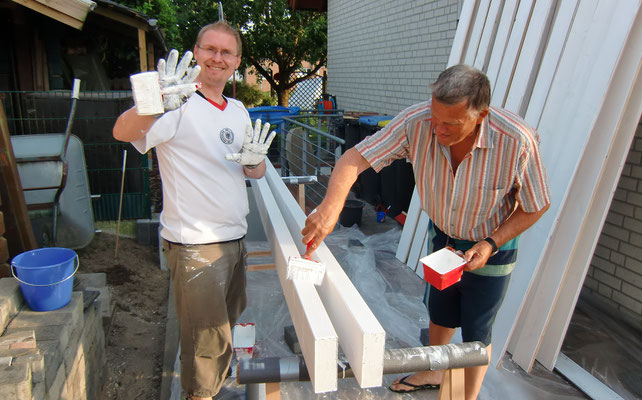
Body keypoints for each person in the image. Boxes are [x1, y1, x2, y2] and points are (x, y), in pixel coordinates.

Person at [301, 64, 551, 399]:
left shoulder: (516, 140)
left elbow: (536, 205)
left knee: (477, 333)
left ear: (481, 115)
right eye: (435, 117)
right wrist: (330, 208)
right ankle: (432, 371)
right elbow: (355, 158)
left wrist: (491, 243)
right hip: (444, 237)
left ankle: (464, 397)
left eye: (451, 123)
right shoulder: (416, 122)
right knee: (440, 310)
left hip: (492, 243)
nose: (438, 129)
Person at [113, 21, 275, 400]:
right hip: (196, 246)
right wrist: (154, 104)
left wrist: (254, 163)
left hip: (233, 238)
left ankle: (209, 384)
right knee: (205, 339)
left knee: (223, 325)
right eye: (210, 49)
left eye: (226, 52)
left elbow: (256, 170)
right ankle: (199, 394)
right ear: (196, 53)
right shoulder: (177, 104)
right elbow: (122, 132)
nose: (217, 58)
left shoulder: (236, 109)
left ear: (237, 62)